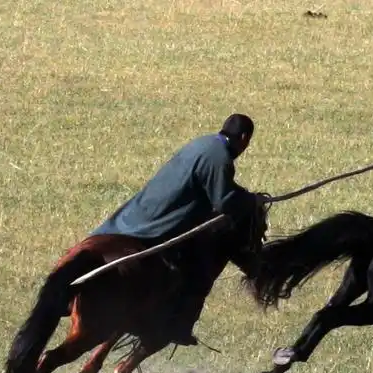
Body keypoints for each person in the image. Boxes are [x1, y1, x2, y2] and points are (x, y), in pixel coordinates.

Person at [90, 113, 267, 345]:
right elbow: (223, 201)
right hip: (166, 219)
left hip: (144, 207)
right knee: (193, 273)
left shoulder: (203, 143)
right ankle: (171, 325)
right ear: (244, 137)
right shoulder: (220, 157)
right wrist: (251, 200)